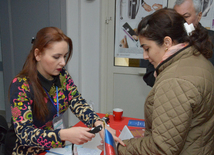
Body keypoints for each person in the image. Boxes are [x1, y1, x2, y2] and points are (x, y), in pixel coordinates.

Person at [5, 27, 124, 155]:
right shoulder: (20, 85)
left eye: (65, 56)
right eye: (56, 57)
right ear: (38, 54)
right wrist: (64, 135)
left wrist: (99, 124)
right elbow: (25, 134)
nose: (62, 62)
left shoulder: (63, 76)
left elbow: (77, 102)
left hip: (54, 148)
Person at [117, 8, 214, 154]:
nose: (144, 56)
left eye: (147, 48)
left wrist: (119, 147)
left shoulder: (175, 81)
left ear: (167, 42)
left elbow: (161, 148)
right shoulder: (198, 59)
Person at [143, 0, 214, 87]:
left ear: (199, 16)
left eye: (186, 16)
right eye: (177, 18)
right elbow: (149, 76)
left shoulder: (210, 39)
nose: (181, 22)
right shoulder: (167, 40)